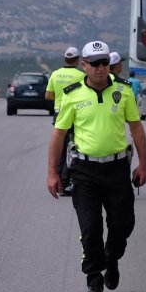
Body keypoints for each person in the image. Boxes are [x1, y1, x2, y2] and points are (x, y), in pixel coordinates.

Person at [47, 40, 146, 292]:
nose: (101, 68)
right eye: (95, 63)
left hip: (117, 169)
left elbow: (136, 128)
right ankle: (94, 279)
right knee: (90, 228)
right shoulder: (72, 94)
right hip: (85, 171)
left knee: (123, 225)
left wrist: (143, 165)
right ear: (84, 66)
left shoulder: (124, 91)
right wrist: (52, 173)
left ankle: (111, 258)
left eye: (105, 62)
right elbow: (59, 135)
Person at [46, 46, 85, 187]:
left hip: (58, 113)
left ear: (65, 59)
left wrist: (60, 99)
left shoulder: (55, 74)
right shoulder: (81, 76)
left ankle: (59, 181)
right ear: (77, 60)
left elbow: (48, 95)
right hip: (74, 114)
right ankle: (66, 179)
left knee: (61, 147)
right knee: (74, 147)